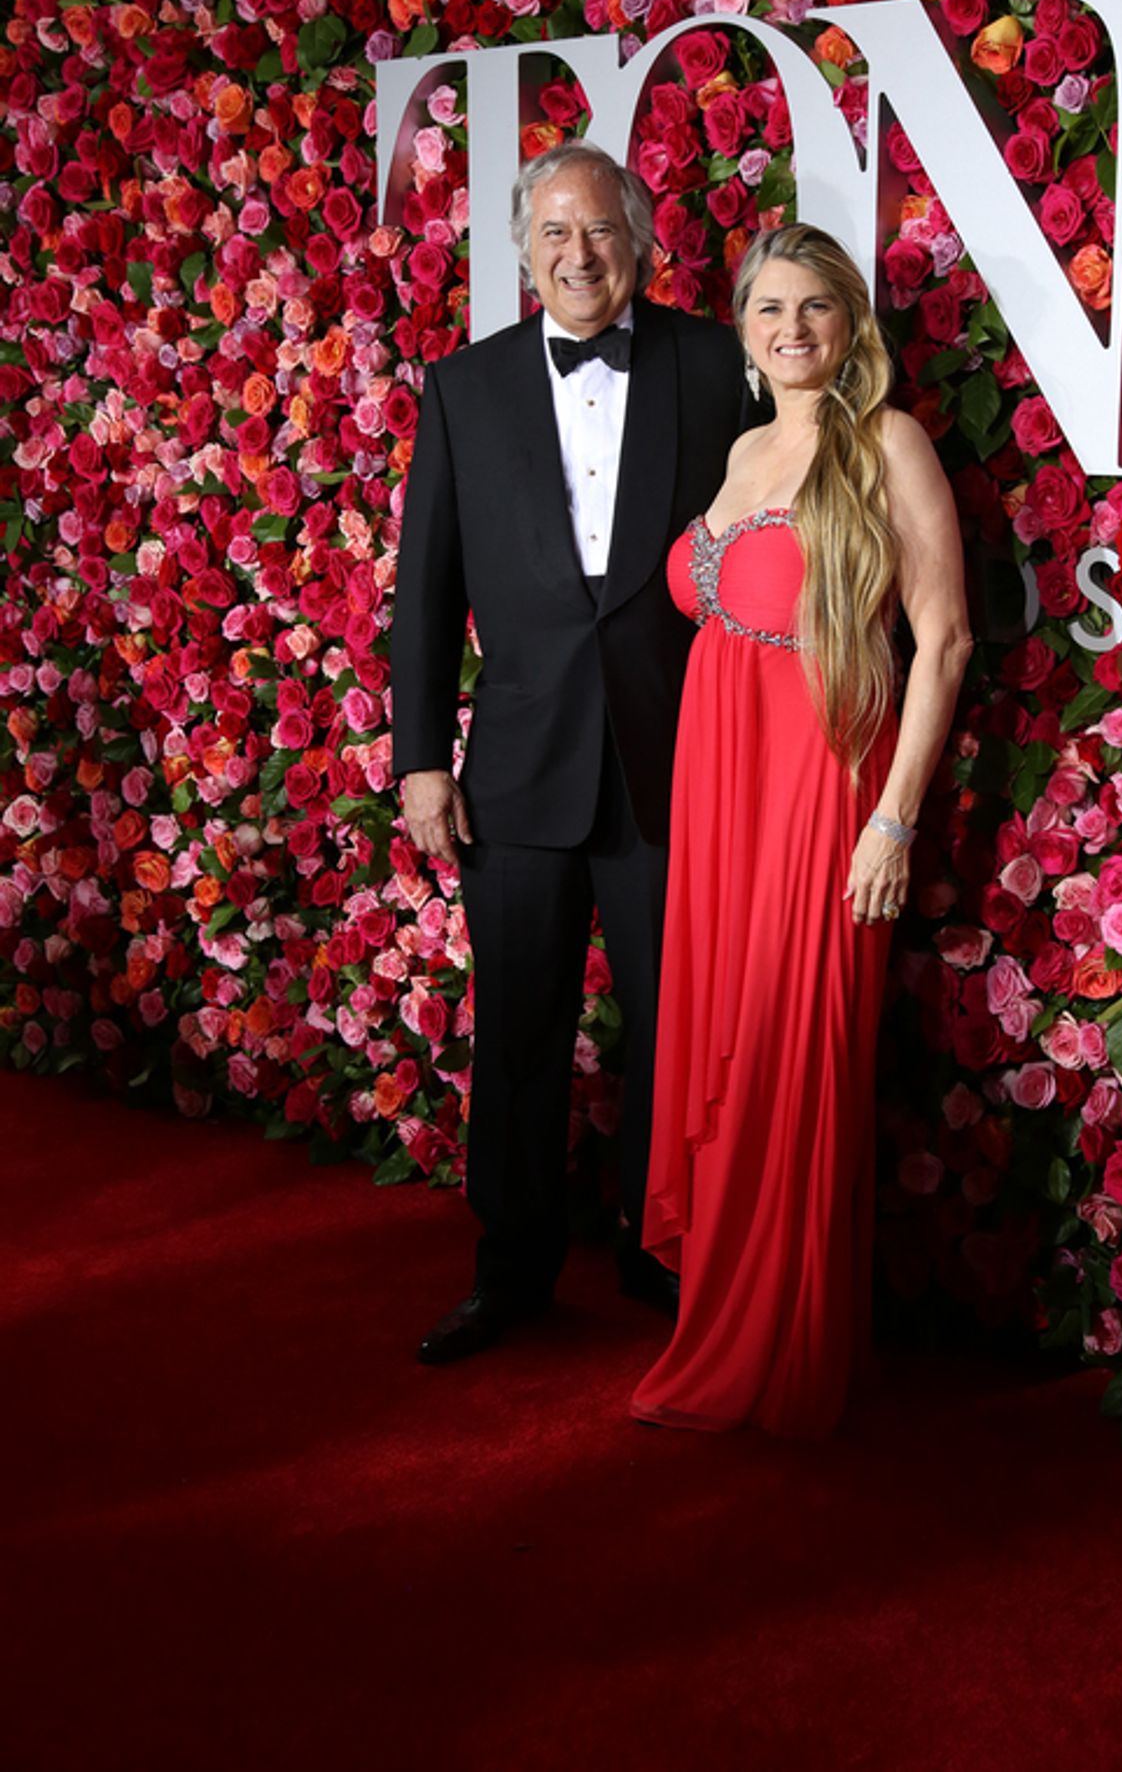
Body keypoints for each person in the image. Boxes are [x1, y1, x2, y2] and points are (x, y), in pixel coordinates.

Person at [390, 140, 747, 1365]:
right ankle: (512, 1269)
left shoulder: (716, 362)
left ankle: (657, 1257)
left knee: (670, 1025)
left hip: (676, 761)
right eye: (552, 234)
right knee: (521, 1027)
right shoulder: (464, 387)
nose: (577, 255)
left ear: (640, 239)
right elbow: (424, 589)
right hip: (518, 766)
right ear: (521, 253)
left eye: (597, 230)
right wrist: (421, 758)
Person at [631, 222, 973, 1437]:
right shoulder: (739, 452)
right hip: (718, 795)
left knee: (789, 1057)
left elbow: (943, 643)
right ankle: (716, 1327)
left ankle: (778, 1359)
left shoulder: (886, 445)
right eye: (769, 310)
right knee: (725, 1040)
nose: (792, 330)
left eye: (815, 308)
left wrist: (890, 821)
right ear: (743, 328)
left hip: (824, 793)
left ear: (850, 323)